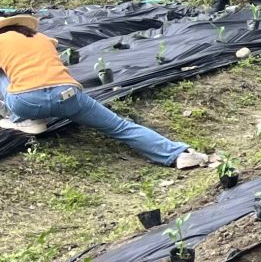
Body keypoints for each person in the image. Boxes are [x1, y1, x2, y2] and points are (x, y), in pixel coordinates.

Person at [0, 14, 214, 167]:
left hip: (27, 101)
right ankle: (178, 154)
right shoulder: (42, 38)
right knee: (120, 126)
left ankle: (23, 119)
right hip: (68, 95)